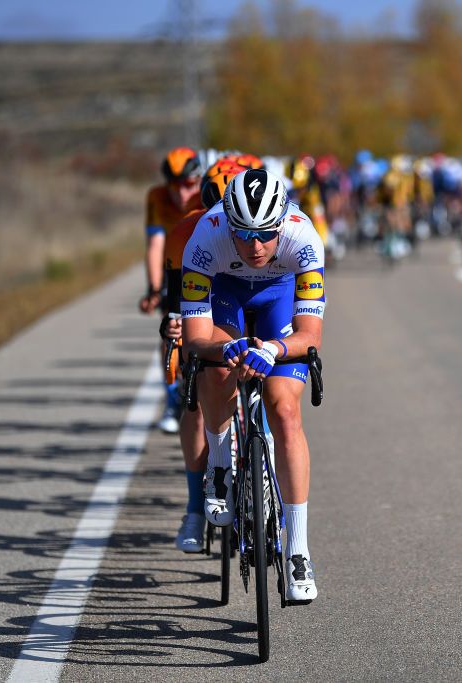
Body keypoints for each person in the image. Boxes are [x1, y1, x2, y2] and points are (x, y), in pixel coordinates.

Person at [181, 167, 324, 602]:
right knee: (217, 370)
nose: (256, 246)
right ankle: (220, 464)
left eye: (265, 234)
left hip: (279, 294)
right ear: (228, 222)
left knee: (283, 409)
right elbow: (195, 341)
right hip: (226, 292)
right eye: (244, 234)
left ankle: (297, 548)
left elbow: (309, 337)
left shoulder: (304, 239)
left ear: (283, 222)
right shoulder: (205, 239)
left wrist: (274, 351)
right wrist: (225, 350)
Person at [168, 157, 249, 553]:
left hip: (251, 302)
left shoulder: (261, 234)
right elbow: (174, 304)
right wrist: (173, 335)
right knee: (196, 400)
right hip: (205, 309)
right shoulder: (188, 233)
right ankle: (195, 508)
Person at [141, 146, 203, 434]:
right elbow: (154, 246)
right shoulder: (156, 197)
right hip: (173, 265)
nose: (181, 194)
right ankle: (171, 396)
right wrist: (154, 289)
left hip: (205, 263)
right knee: (170, 329)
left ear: (199, 179)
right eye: (174, 186)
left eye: (188, 185)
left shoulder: (208, 193)